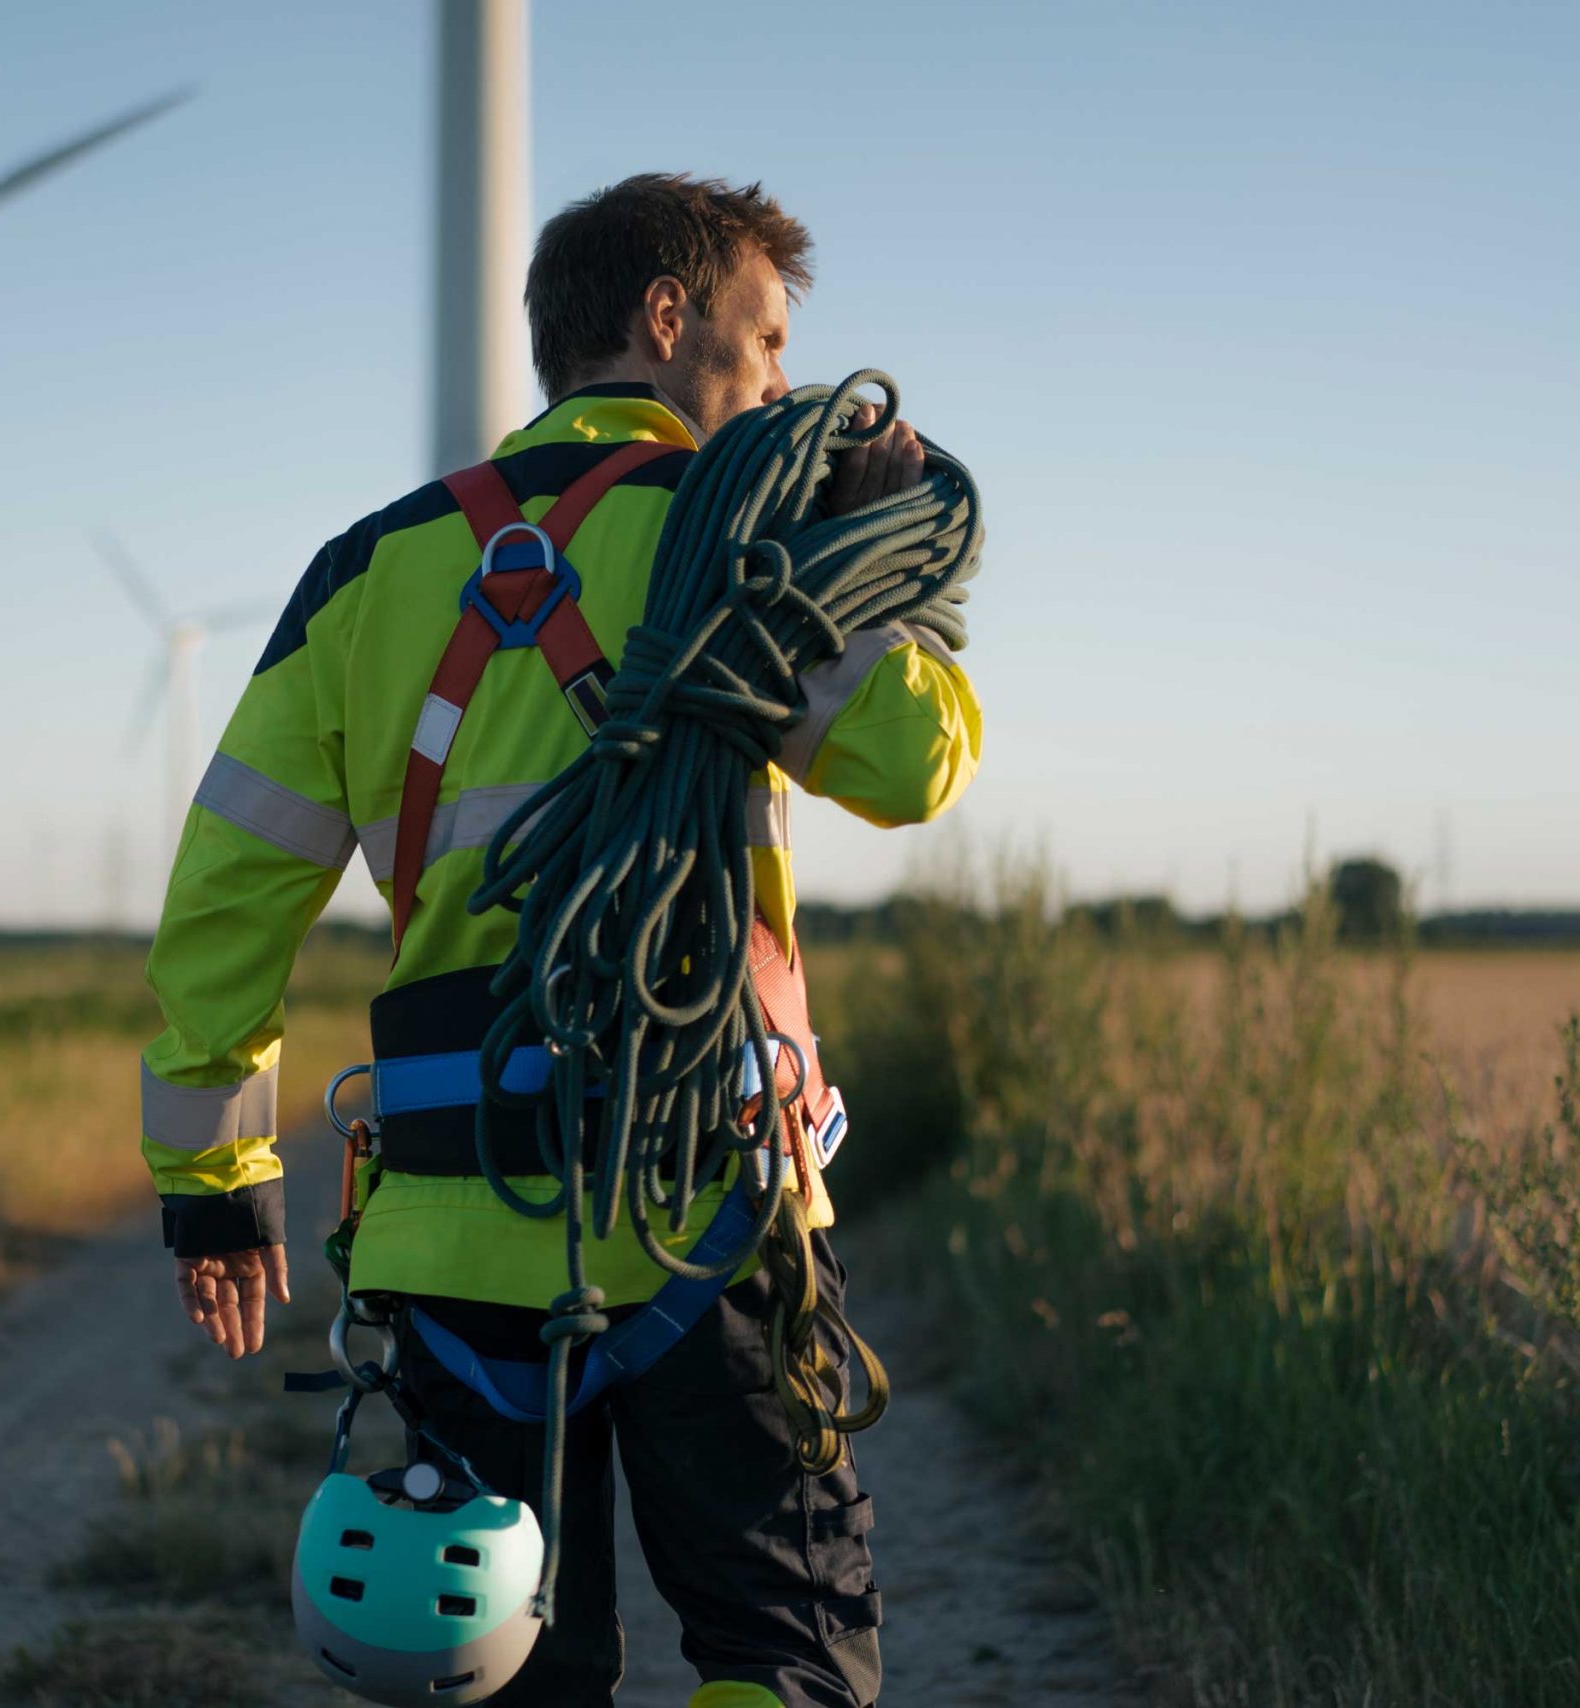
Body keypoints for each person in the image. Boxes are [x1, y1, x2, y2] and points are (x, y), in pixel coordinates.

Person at [138, 173, 982, 1707]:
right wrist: (880, 552)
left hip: (456, 1239)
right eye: (769, 341)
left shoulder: (368, 569)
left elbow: (231, 887)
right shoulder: (740, 548)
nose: (785, 388)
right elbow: (913, 766)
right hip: (704, 1211)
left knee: (504, 1663)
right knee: (783, 1650)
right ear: (667, 322)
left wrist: (215, 1178)